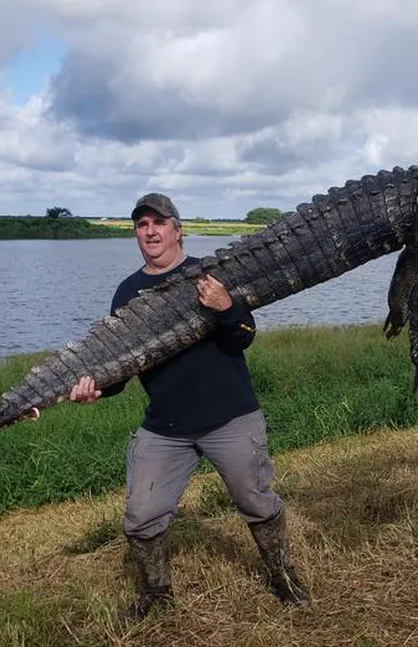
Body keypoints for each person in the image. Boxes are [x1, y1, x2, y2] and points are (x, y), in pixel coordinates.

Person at [66, 192, 309, 622]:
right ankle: (155, 594)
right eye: (142, 225)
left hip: (230, 417)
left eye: (159, 223)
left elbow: (243, 336)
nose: (150, 231)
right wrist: (95, 389)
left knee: (256, 500)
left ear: (178, 231)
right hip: (166, 427)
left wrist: (226, 306)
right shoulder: (127, 293)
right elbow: (119, 373)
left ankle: (282, 576)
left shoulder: (209, 275)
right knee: (140, 517)